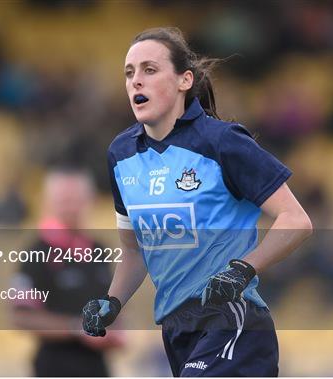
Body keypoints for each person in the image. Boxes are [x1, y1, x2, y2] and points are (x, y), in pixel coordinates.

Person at [81, 27, 313, 377]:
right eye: (129, 73)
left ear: (184, 80)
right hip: (176, 330)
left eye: (149, 69)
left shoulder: (221, 142)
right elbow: (134, 251)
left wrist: (242, 269)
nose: (136, 82)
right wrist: (111, 302)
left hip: (232, 319)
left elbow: (296, 220)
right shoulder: (121, 154)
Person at [12, 167, 123, 377]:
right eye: (64, 200)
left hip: (98, 368)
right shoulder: (36, 252)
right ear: (48, 204)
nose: (71, 208)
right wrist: (76, 328)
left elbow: (113, 304)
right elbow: (21, 316)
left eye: (77, 200)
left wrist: (118, 328)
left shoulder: (99, 249)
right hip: (54, 367)